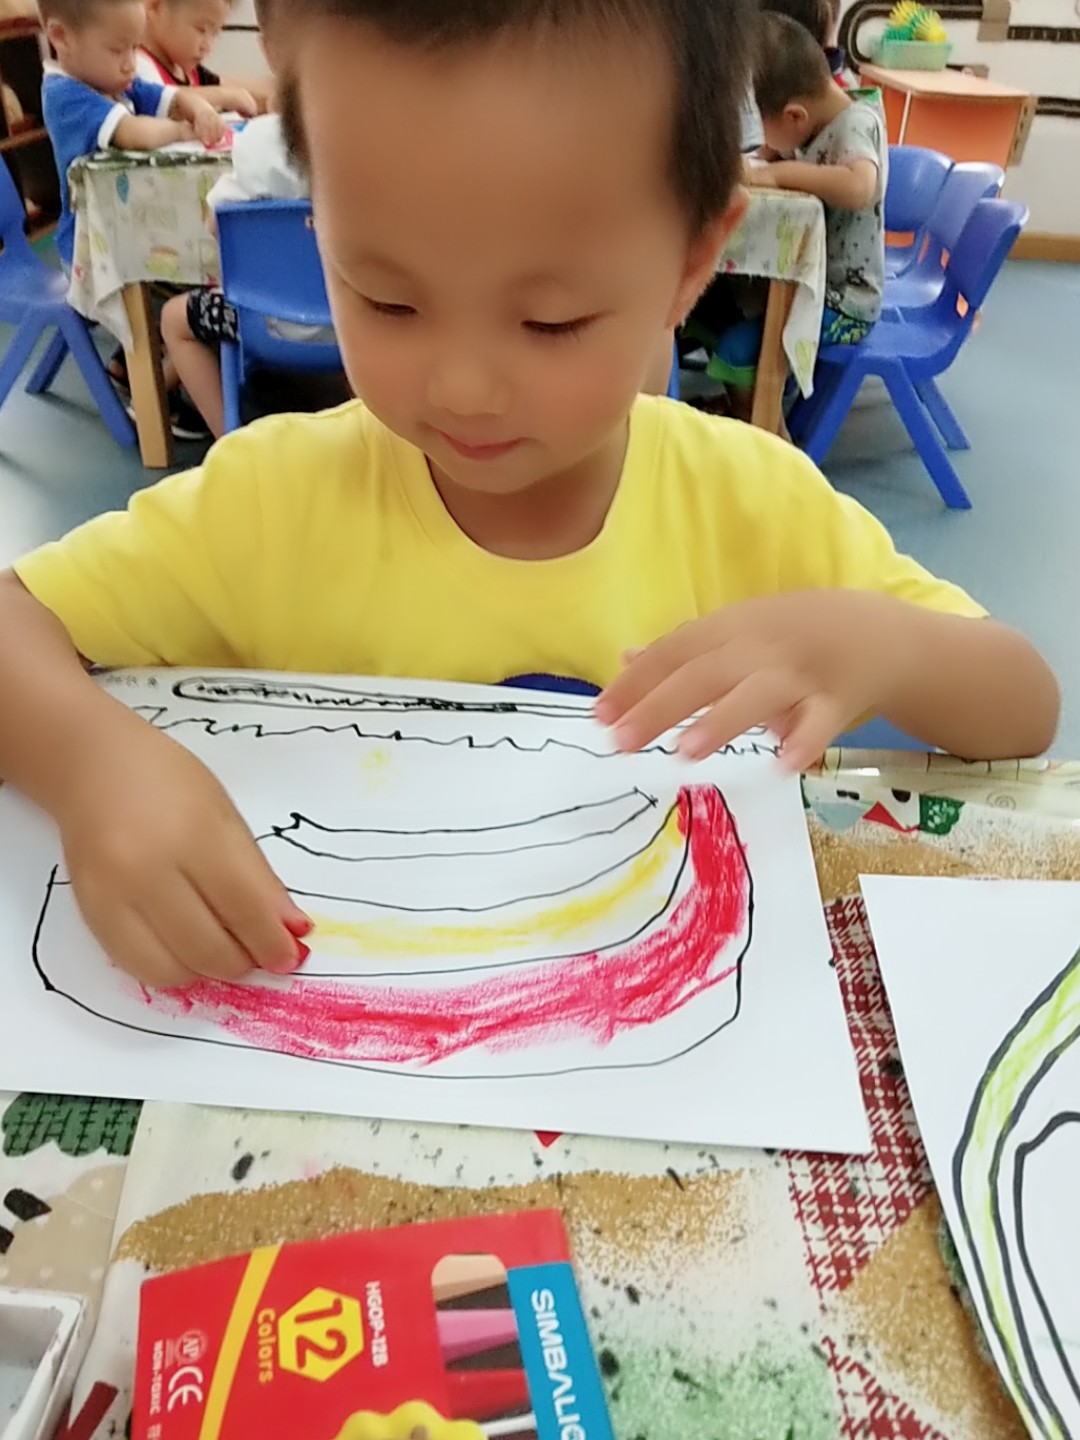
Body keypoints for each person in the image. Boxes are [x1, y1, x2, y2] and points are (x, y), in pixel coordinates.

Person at [0, 0, 1058, 991]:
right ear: (321, 228)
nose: (462, 386)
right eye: (387, 299)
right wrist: (93, 769)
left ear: (693, 262)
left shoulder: (754, 505)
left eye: (551, 322)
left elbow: (1024, 707)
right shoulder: (271, 504)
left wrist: (884, 645)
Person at [160, 0, 336, 438]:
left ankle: (231, 439)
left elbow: (219, 223)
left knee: (174, 320)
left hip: (262, 323)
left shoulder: (256, 142)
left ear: (268, 49)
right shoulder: (375, 139)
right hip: (357, 319)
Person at [711, 13, 889, 410]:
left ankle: (767, 432)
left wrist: (777, 173)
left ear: (795, 115)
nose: (762, 140)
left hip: (845, 303)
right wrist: (764, 157)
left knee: (736, 348)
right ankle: (748, 414)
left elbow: (860, 187)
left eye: (761, 127)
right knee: (719, 309)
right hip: (811, 285)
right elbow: (774, 150)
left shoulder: (856, 124)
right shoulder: (812, 123)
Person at [40, 0, 226, 273]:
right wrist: (181, 130)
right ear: (61, 37)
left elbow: (173, 98)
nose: (131, 65)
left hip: (125, 231)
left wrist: (201, 111)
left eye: (135, 48)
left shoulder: (114, 79)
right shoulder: (64, 94)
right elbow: (135, 133)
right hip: (92, 251)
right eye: (117, 50)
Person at [136, 0, 267, 113]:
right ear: (156, 7)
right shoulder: (138, 65)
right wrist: (223, 96)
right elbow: (161, 100)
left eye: (215, 34)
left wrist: (268, 103)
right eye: (201, 29)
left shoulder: (189, 71)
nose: (208, 46)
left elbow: (238, 93)